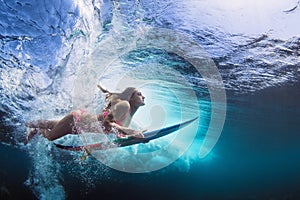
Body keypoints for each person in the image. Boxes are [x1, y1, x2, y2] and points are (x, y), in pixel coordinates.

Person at [25, 85, 146, 143]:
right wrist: (130, 131)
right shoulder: (125, 105)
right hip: (75, 122)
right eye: (139, 94)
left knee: (50, 124)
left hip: (80, 124)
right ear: (131, 97)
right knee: (50, 136)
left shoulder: (129, 112)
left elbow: (115, 129)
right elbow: (107, 123)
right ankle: (37, 130)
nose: (143, 96)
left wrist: (128, 133)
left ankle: (27, 123)